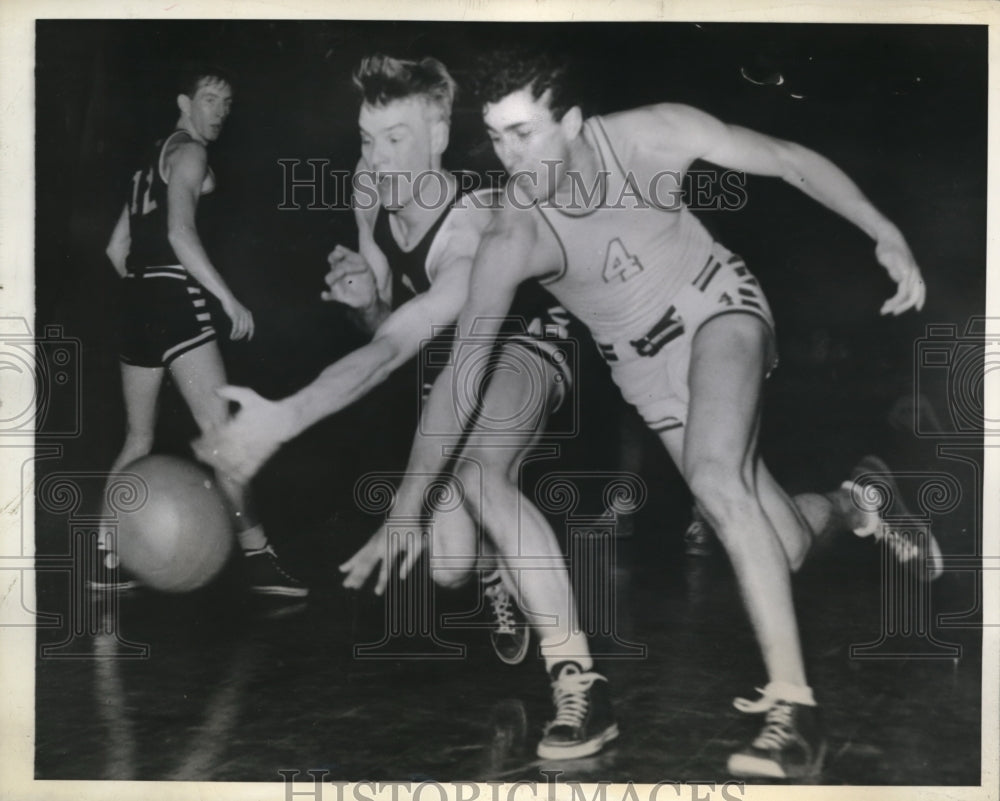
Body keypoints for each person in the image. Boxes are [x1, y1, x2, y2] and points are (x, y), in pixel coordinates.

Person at [359, 47, 932, 780]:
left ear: (570, 122)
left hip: (718, 307)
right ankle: (859, 500)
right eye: (498, 137)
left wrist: (881, 228)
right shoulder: (513, 231)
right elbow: (465, 372)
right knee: (778, 544)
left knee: (715, 476)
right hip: (645, 367)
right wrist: (409, 499)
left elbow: (788, 158)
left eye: (525, 133)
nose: (510, 156)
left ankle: (795, 712)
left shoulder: (651, 136)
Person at [194, 55, 617, 760]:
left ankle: (579, 679)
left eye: (396, 139)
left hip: (529, 342)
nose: (377, 158)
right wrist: (368, 301)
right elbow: (390, 327)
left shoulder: (471, 230)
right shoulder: (369, 191)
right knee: (449, 565)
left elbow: (392, 354)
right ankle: (495, 569)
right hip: (452, 366)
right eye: (367, 137)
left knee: (482, 473)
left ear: (438, 138)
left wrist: (285, 416)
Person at [96, 65, 307, 597]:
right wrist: (226, 297)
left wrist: (146, 291)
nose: (219, 111)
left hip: (135, 306)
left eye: (226, 104)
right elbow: (179, 232)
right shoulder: (190, 152)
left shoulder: (152, 158)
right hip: (173, 299)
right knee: (222, 439)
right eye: (210, 99)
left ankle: (104, 557)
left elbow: (115, 249)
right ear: (184, 102)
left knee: (138, 438)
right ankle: (259, 558)